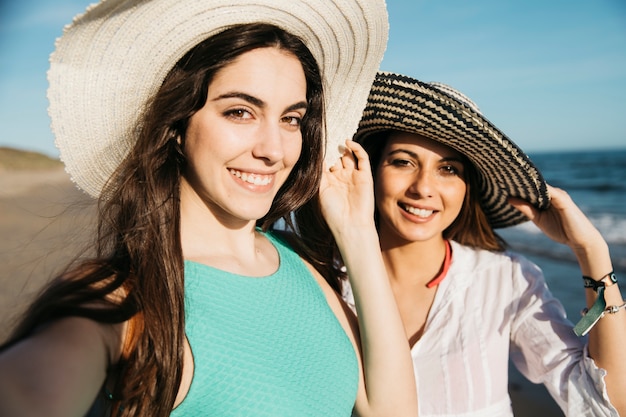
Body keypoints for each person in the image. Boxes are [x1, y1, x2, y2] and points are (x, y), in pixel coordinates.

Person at [0, 1, 419, 415]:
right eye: (240, 112)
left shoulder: (298, 264)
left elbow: (392, 411)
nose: (274, 150)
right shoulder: (123, 298)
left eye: (291, 119)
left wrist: (358, 233)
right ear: (177, 126)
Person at [294, 71, 626, 417]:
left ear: (468, 189)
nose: (423, 187)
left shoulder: (505, 279)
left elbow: (606, 405)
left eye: (448, 169)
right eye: (404, 162)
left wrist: (592, 250)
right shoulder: (321, 280)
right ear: (372, 169)